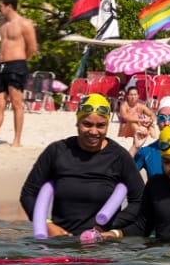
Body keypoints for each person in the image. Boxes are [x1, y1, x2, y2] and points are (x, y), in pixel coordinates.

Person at [19, 94, 143, 241]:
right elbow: (28, 194)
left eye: (101, 125)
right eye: (87, 124)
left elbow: (139, 200)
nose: (94, 131)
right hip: (60, 241)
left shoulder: (119, 157)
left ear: (107, 125)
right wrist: (47, 225)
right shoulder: (57, 151)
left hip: (101, 245)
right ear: (77, 122)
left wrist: (110, 227)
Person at [0, 0, 38, 149]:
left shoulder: (24, 24)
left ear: (9, 6)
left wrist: (21, 61)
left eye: (0, 6)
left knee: (16, 104)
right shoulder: (2, 22)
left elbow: (33, 47)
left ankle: (17, 140)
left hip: (17, 65)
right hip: (1, 66)